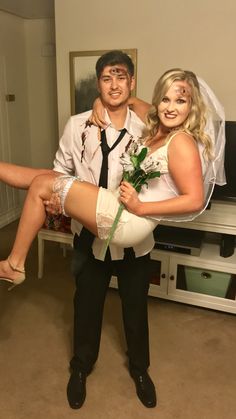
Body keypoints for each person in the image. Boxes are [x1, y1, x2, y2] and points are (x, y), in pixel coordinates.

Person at [0, 64, 225, 408]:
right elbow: (127, 101)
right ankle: (80, 368)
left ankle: (139, 371)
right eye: (165, 98)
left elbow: (193, 199)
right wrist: (97, 104)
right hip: (93, 234)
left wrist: (140, 207)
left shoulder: (163, 134)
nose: (170, 106)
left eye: (180, 101)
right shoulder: (120, 123)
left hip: (130, 230)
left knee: (135, 310)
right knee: (85, 304)